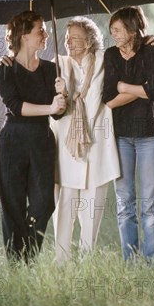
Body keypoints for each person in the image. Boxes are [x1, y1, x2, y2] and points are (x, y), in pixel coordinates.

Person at [0, 10, 66, 262]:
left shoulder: (50, 69)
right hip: (13, 140)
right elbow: (16, 105)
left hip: (42, 141)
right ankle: (17, 263)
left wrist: (61, 96)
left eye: (45, 30)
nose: (45, 34)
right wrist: (50, 107)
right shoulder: (5, 68)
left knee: (43, 202)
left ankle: (29, 255)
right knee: (13, 204)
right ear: (24, 35)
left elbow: (57, 114)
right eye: (40, 30)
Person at [102, 6, 154, 262]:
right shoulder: (110, 55)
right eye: (111, 31)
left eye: (118, 30)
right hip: (120, 137)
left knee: (151, 202)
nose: (114, 35)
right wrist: (143, 89)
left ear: (132, 29)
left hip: (149, 135)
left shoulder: (150, 50)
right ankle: (129, 261)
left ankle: (152, 260)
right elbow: (108, 98)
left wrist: (124, 86)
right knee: (124, 201)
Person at [51, 17, 120, 262]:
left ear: (90, 41)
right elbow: (52, 107)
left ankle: (87, 258)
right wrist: (59, 93)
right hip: (67, 146)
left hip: (97, 144)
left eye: (76, 38)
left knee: (93, 205)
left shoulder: (104, 60)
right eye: (67, 38)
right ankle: (61, 259)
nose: (69, 43)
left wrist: (149, 42)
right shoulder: (57, 65)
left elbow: (130, 53)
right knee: (65, 204)